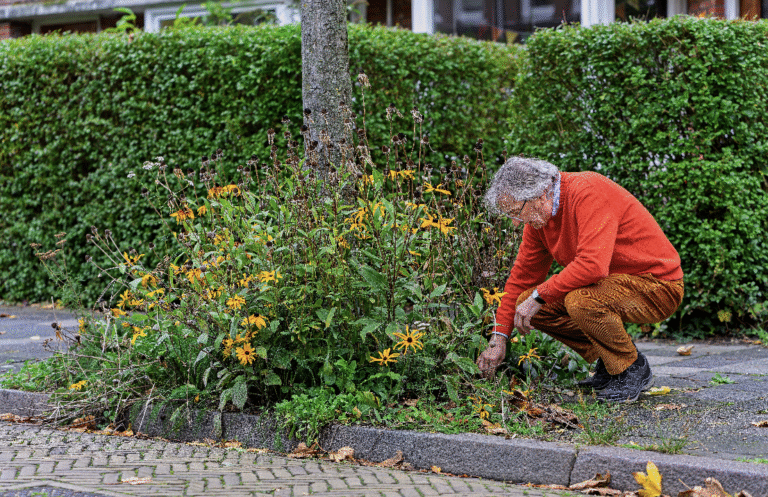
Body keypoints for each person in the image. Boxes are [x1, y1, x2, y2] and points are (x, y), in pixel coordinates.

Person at [476, 157, 684, 402]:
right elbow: (521, 279)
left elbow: (592, 266)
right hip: (611, 286)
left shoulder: (587, 191)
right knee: (528, 303)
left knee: (578, 300)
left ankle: (631, 369)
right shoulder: (539, 222)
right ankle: (612, 362)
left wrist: (539, 295)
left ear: (540, 194)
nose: (514, 222)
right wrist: (499, 337)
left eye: (515, 212)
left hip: (658, 286)